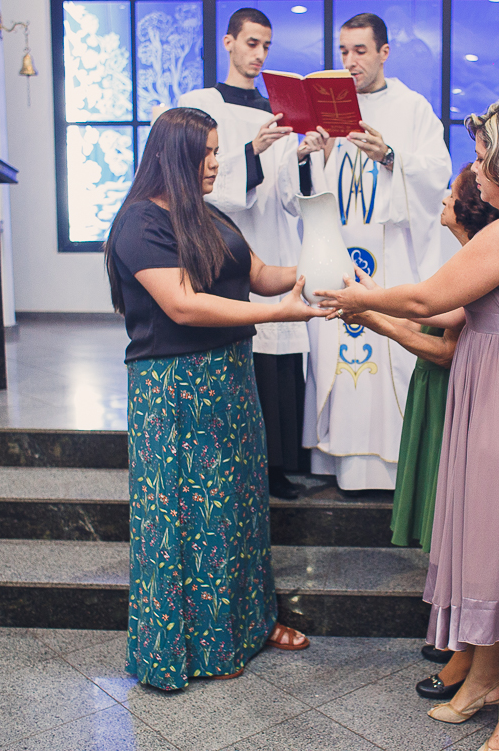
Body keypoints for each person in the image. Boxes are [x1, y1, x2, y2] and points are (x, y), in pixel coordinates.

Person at [318, 100, 499, 751]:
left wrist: (359, 295)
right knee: (493, 541)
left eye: (485, 153)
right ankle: (485, 679)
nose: (476, 165)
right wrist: (370, 314)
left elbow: (425, 299)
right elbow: (447, 328)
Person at [105, 107, 324, 689]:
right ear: (173, 156)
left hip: (229, 377)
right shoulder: (138, 224)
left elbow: (260, 273)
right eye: (205, 153)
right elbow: (184, 305)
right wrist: (280, 313)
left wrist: (319, 269)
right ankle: (194, 645)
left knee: (240, 509)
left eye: (216, 150)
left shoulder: (209, 213)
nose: (216, 162)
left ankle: (249, 627)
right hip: (173, 387)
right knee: (188, 516)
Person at [345, 163, 499, 701]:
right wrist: (373, 302)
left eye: (449, 196)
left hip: (458, 395)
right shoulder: (465, 255)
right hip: (440, 395)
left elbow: (442, 344)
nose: (441, 203)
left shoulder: (484, 258)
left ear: (467, 207)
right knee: (449, 523)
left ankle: (466, 652)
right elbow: (421, 313)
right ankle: (458, 638)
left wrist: (372, 311)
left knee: (460, 525)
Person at [298, 12, 452, 492]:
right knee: (336, 357)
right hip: (337, 248)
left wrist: (389, 157)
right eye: (343, 52)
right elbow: (305, 192)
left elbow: (436, 175)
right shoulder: (326, 109)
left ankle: (389, 469)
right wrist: (314, 156)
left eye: (360, 51)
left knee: (388, 352)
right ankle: (337, 461)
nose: (350, 62)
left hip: (390, 253)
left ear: (384, 52)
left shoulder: (413, 108)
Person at [177, 8, 308, 500]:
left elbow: (291, 199)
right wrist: (252, 152)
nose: (258, 55)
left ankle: (278, 467)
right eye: (251, 43)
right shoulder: (198, 103)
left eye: (266, 46)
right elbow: (197, 178)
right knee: (244, 351)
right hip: (222, 245)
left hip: (272, 241)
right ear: (229, 42)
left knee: (278, 356)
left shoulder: (278, 110)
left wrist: (300, 155)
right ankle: (241, 463)